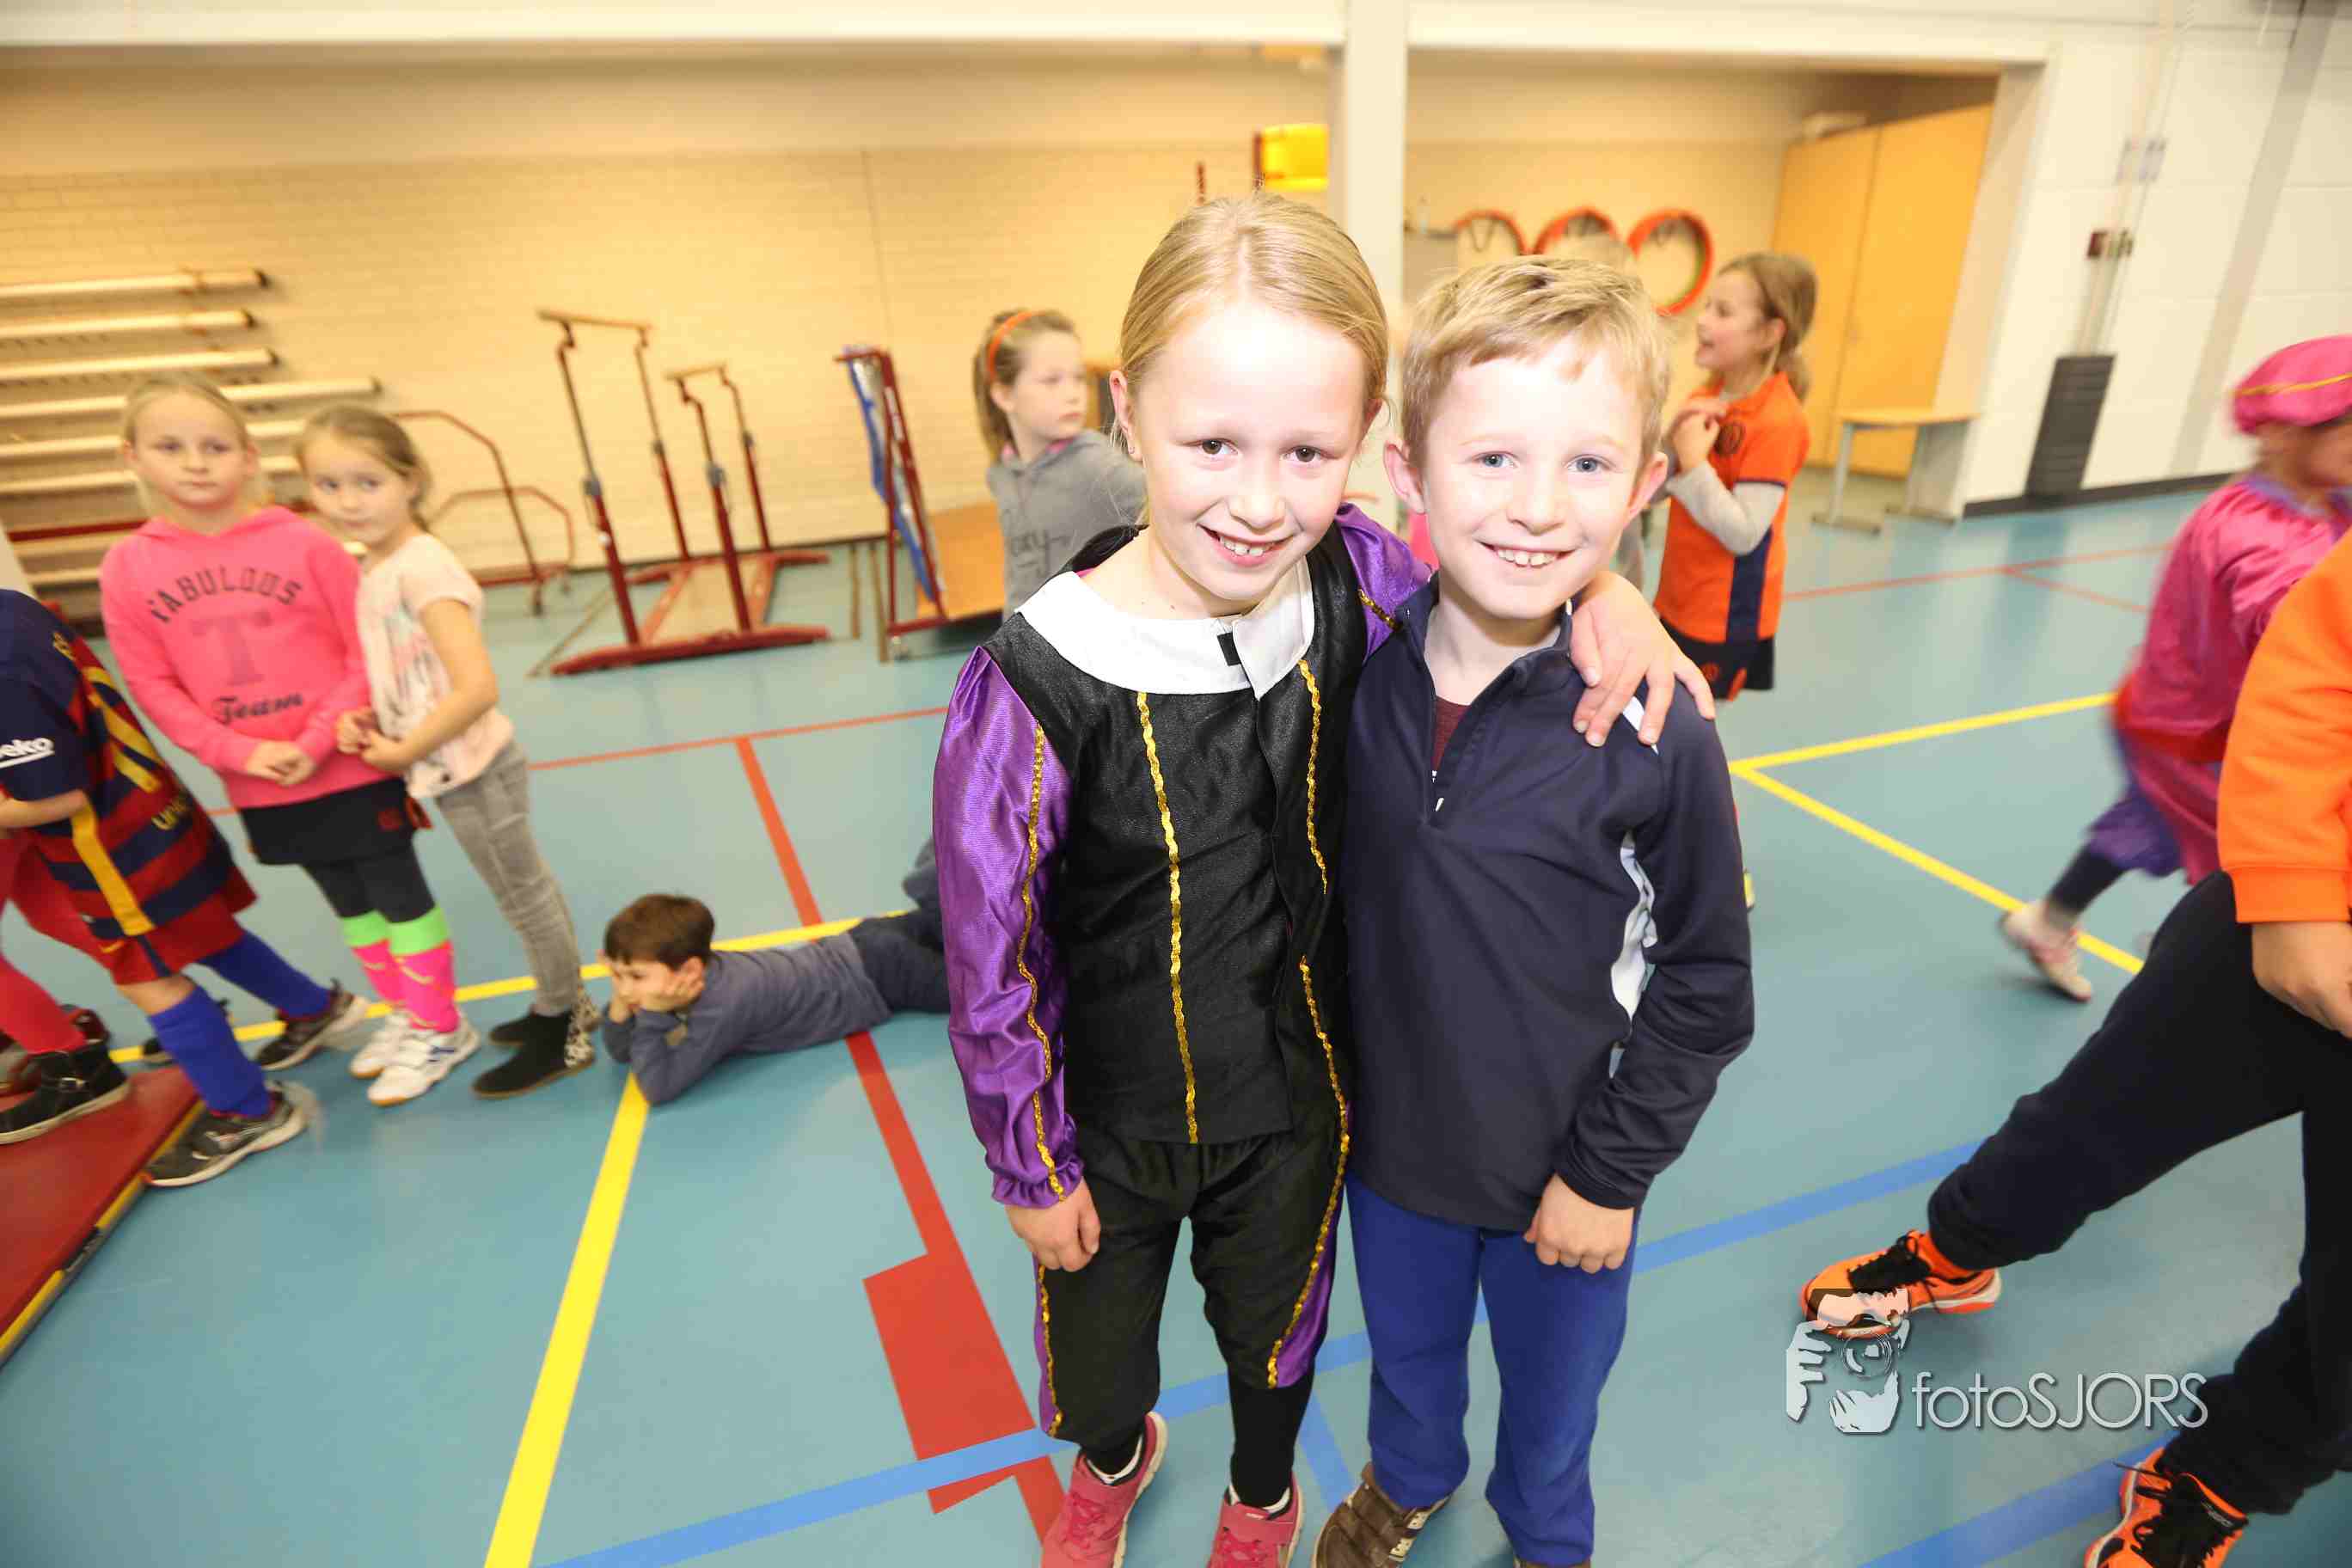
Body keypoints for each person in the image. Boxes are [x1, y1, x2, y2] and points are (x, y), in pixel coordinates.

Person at [934, 193, 1708, 1568]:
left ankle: (1263, 1501)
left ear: (1362, 451)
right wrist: (1025, 1157)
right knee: (1098, 1370)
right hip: (1107, 1121)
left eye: (1307, 452)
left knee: (1271, 1350)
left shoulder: (1355, 573)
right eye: (1212, 444)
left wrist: (1608, 594)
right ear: (1129, 412)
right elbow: (989, 958)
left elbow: (1507, 570)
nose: (1258, 500)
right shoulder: (1032, 683)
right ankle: (1114, 1458)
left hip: (1297, 1108)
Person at [1798, 518, 2352, 1566]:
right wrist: (2293, 890)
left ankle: (2226, 1472)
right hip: (2301, 911)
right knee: (2090, 1123)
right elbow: (2325, 659)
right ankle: (1958, 1253)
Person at [1314, 258, 1753, 1568]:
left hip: (1565, 1175)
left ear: (1646, 486)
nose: (1538, 507)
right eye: (1494, 458)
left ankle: (1547, 1533)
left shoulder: (1655, 730)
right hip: (1391, 1157)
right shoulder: (1349, 665)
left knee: (1556, 1405)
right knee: (1406, 1360)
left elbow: (1706, 984)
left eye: (1587, 465)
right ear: (1407, 473)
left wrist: (1608, 1176)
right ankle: (1410, 1477)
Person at [101, 375, 474, 1105]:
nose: (196, 463)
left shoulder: (305, 543)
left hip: (350, 762)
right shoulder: (128, 566)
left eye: (215, 447)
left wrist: (316, 738)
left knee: (397, 893)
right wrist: (241, 754)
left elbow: (364, 653)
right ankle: (405, 1012)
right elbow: (151, 685)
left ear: (248, 458)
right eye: (171, 447)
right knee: (348, 902)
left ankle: (441, 1025)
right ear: (133, 457)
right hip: (261, 782)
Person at [2000, 336, 2352, 1001]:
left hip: (2174, 719)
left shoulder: (2314, 502)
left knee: (2150, 821)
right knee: (2259, 860)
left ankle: (2049, 920)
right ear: (2281, 432)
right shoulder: (2261, 536)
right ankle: (2187, 959)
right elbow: (2293, 624)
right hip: (2197, 736)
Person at [0, 591, 360, 1180]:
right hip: (148, 809)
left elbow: (57, 797)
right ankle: (314, 1006)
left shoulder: (5, 671)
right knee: (204, 928)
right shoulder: (13, 607)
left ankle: (247, 1111)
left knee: (146, 979)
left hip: (108, 848)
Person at [298, 404, 598, 1098]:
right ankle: (558, 1002)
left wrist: (403, 749)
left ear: (411, 481)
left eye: (368, 483)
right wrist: (371, 720)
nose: (349, 502)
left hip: (475, 768)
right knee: (519, 891)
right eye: (329, 485)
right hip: (448, 764)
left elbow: (476, 687)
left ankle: (565, 1023)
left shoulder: (423, 570)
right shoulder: (380, 566)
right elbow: (413, 673)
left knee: (524, 895)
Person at [598, 881, 946, 1107]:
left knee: (978, 993)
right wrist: (620, 1002)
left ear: (689, 970)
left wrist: (654, 1015)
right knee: (961, 924)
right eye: (617, 975)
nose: (626, 988)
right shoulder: (693, 973)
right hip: (862, 941)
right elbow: (622, 1050)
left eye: (636, 976)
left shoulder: (722, 1004)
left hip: (884, 975)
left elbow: (657, 1086)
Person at [1651, 253, 1817, 704]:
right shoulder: (1707, 394)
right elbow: (1653, 493)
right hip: (1677, 599)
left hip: (1724, 616)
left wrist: (1694, 464)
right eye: (1707, 306)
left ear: (1768, 334)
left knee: (1689, 724)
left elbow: (1743, 533)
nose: (1703, 321)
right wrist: (1671, 443)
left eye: (1722, 312)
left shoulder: (1778, 421)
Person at [977, 308, 1147, 614]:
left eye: (1078, 378)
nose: (1074, 394)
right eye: (1051, 380)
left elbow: (1167, 505)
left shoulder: (1096, 464)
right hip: (1022, 628)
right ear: (1004, 395)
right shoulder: (1001, 473)